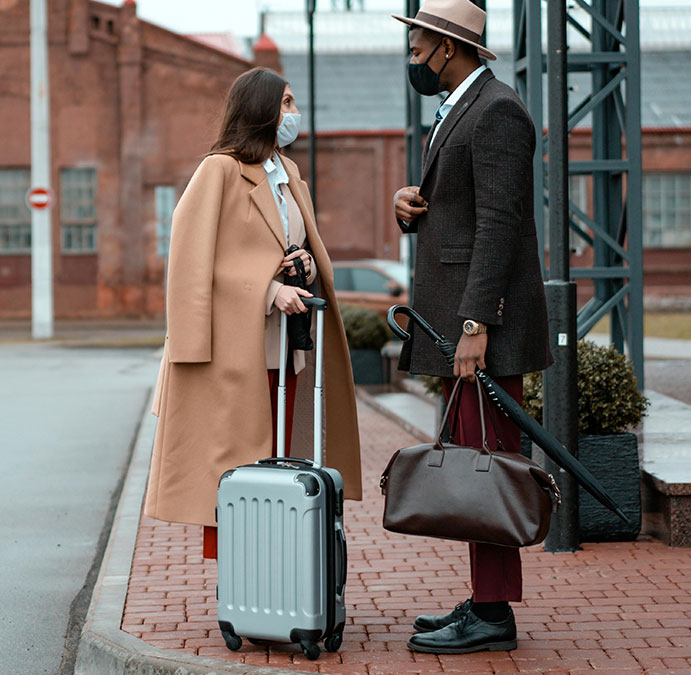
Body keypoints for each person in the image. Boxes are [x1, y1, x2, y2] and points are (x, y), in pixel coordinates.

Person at [145, 67, 362, 559]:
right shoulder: (219, 169)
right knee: (236, 462)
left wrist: (302, 265)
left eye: (292, 103)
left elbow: (290, 246)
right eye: (285, 103)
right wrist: (266, 291)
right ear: (261, 110)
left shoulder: (290, 176)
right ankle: (244, 585)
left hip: (285, 344)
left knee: (277, 458)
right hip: (233, 348)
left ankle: (275, 572)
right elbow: (193, 261)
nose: (294, 113)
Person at [390, 0, 552, 655]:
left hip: (481, 326)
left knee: (486, 467)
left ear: (448, 49)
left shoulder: (497, 112)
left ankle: (493, 614)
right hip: (458, 321)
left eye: (418, 43)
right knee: (474, 460)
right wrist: (410, 210)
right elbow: (460, 210)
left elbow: (499, 226)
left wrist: (477, 323)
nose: (412, 56)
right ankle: (486, 598)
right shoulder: (463, 107)